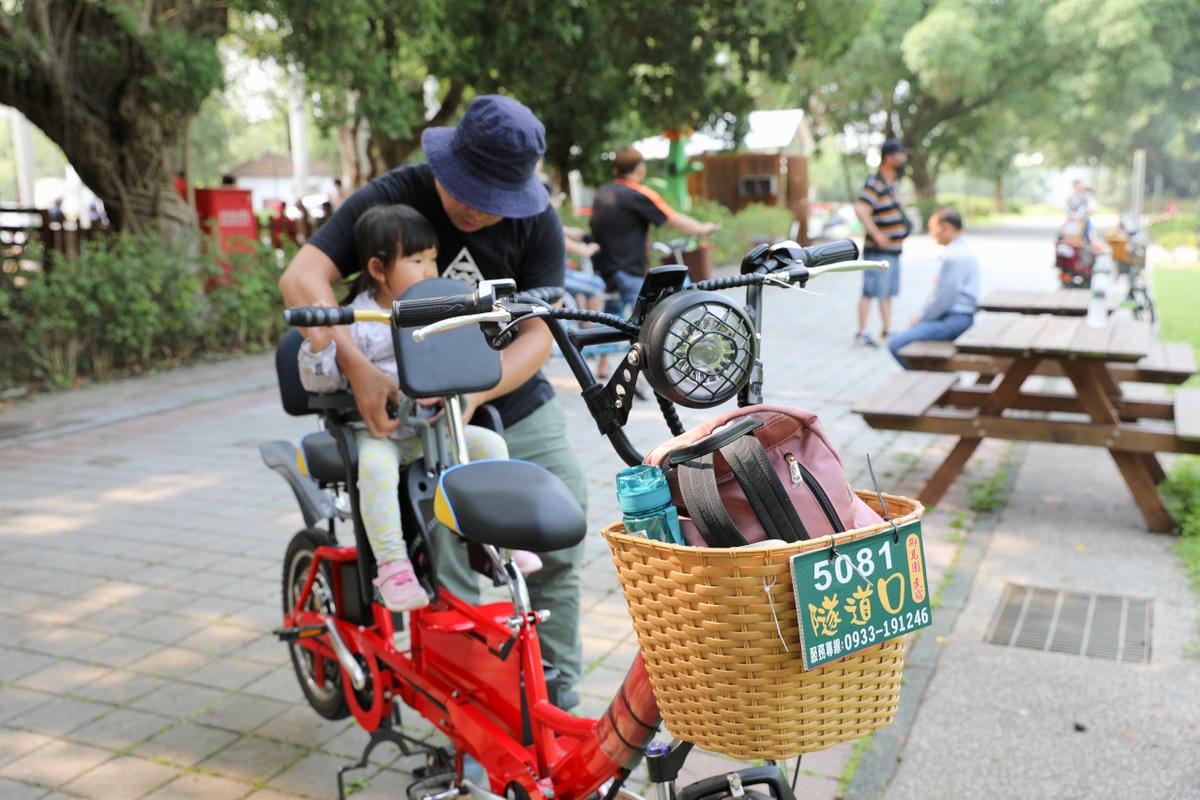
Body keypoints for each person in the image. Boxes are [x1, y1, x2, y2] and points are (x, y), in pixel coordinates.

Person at [278, 94, 589, 708]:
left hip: (508, 398)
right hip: (405, 410)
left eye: (497, 200)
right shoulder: (396, 197)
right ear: (448, 164)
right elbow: (301, 278)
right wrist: (357, 366)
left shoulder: (537, 222)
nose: (479, 210)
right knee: (447, 547)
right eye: (470, 191)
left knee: (561, 524)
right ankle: (466, 707)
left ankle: (555, 699)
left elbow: (539, 333)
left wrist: (476, 390)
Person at [297, 204, 541, 610]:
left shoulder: (443, 309)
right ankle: (393, 566)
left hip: (438, 430)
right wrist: (320, 347)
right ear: (379, 269)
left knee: (491, 446)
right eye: (417, 261)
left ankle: (504, 541)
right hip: (384, 434)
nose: (430, 270)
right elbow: (323, 382)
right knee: (375, 468)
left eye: (432, 259)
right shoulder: (357, 320)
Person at [589, 146, 715, 376]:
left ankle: (603, 365)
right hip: (628, 267)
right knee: (644, 323)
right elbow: (671, 218)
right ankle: (639, 375)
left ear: (616, 170)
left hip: (604, 267)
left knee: (611, 316)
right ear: (640, 169)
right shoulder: (638, 193)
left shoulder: (603, 192)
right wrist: (702, 228)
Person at [887, 207, 980, 369]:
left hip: (954, 320)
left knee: (896, 343)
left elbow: (943, 299)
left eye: (933, 229)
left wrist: (921, 317)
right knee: (900, 335)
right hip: (958, 317)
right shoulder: (962, 249)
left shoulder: (954, 256)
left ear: (946, 227)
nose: (931, 234)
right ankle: (932, 376)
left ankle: (925, 378)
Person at [854, 137, 913, 347]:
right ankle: (862, 332)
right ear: (889, 157)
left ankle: (887, 330)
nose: (903, 159)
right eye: (900, 155)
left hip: (894, 250)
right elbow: (861, 209)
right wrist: (877, 234)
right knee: (870, 291)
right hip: (877, 250)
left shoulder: (893, 184)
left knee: (887, 292)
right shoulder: (875, 183)